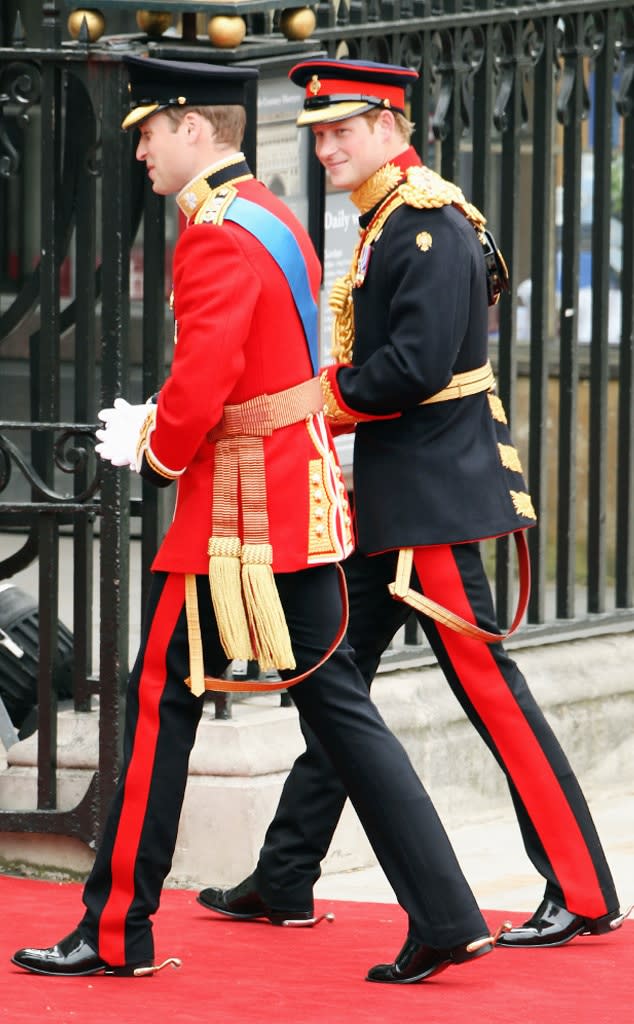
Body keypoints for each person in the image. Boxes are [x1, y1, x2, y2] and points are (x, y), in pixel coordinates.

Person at [11, 54, 501, 984]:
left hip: (235, 522)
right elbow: (257, 371)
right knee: (338, 710)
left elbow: (206, 380)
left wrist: (155, 446)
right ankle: (445, 910)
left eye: (149, 132)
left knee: (159, 705)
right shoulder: (270, 214)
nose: (142, 152)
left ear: (194, 127)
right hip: (295, 505)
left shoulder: (215, 235)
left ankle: (116, 932)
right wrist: (171, 419)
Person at [199, 57, 630, 951]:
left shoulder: (425, 222)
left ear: (390, 127)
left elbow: (416, 368)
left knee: (489, 693)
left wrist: (318, 396)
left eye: (340, 131)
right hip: (395, 500)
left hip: (428, 507)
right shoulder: (391, 218)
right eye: (316, 134)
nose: (324, 148)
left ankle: (583, 890)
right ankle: (285, 875)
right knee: (333, 687)